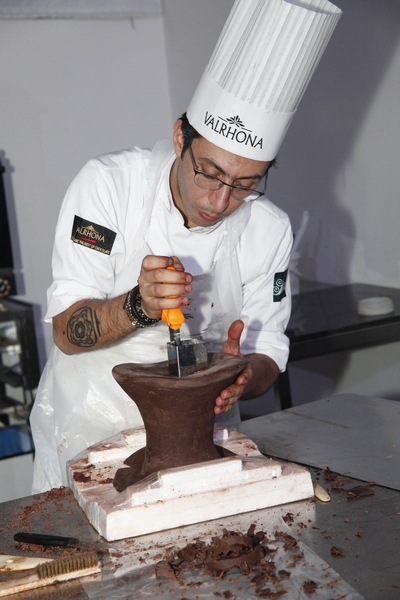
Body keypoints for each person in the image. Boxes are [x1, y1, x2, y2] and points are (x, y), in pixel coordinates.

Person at [30, 0, 342, 493]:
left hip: (205, 438)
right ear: (180, 138)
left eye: (246, 184)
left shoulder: (270, 230)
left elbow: (266, 353)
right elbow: (68, 332)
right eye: (209, 173)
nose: (219, 201)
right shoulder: (109, 186)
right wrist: (138, 305)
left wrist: (242, 377)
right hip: (87, 431)